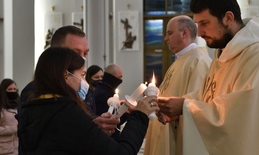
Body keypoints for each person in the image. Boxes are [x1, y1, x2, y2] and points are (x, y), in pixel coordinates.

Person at [157, 0, 259, 155]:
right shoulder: (224, 52)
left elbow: (242, 117)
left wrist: (185, 107)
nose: (199, 32)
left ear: (228, 18)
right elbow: (207, 95)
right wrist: (175, 106)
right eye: (197, 24)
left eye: (204, 23)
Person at [18, 47, 159, 154]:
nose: (84, 82)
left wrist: (91, 127)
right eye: (82, 75)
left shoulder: (32, 107)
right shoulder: (66, 112)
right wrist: (139, 116)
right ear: (66, 75)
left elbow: (62, 140)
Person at [144, 15, 212, 155]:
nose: (165, 38)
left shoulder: (198, 61)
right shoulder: (180, 61)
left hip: (178, 138)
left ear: (184, 33)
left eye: (169, 33)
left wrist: (171, 114)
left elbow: (197, 105)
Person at [94, 63, 129, 141]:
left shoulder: (102, 89)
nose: (121, 81)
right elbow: (112, 120)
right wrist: (127, 111)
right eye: (119, 78)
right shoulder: (103, 94)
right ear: (112, 78)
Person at [0, 78, 19, 155]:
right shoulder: (1, 108)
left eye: (14, 89)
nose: (13, 91)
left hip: (17, 148)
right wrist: (11, 129)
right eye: (10, 89)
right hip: (3, 149)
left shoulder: (19, 105)